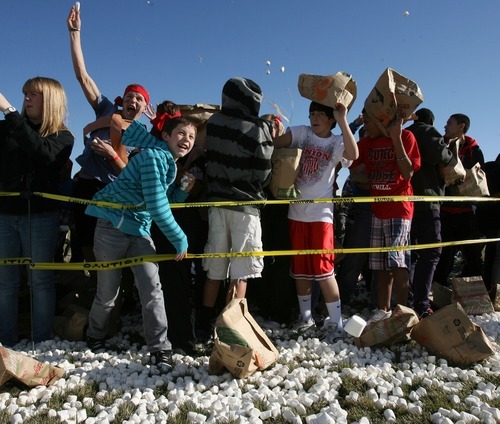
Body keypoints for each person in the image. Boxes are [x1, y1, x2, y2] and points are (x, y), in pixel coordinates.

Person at [84, 116, 196, 370]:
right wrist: (180, 239)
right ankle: (94, 335)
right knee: (109, 293)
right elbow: (157, 206)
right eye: (181, 133)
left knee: (152, 289)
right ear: (165, 136)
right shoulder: (153, 157)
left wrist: (182, 193)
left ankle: (160, 348)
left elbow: (162, 200)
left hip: (140, 229)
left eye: (191, 137)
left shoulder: (166, 162)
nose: (187, 140)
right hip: (111, 225)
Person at [66, 5, 150, 264]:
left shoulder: (142, 136)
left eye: (139, 98)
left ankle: (110, 292)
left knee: (109, 248)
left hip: (114, 192)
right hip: (86, 184)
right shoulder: (105, 109)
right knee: (82, 241)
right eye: (129, 96)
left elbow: (132, 174)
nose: (132, 100)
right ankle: (89, 287)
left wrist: (111, 153)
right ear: (121, 101)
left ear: (144, 108)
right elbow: (83, 77)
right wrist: (75, 32)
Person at [273, 101, 358, 341]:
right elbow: (275, 144)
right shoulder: (302, 133)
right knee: (300, 269)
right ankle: (306, 318)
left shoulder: (337, 141)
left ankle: (336, 323)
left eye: (321, 113)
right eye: (312, 113)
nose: (314, 118)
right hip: (295, 213)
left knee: (324, 269)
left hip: (322, 215)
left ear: (330, 119)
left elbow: (353, 155)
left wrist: (343, 120)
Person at [0, 77, 74, 346]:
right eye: (25, 94)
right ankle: (4, 342)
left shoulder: (63, 137)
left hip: (41, 217)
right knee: (4, 281)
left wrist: (9, 112)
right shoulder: (6, 130)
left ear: (51, 99)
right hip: (4, 215)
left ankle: (42, 342)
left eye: (34, 94)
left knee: (39, 280)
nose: (26, 98)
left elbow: (44, 155)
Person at [197, 77, 273, 338]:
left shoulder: (214, 123)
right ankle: (233, 328)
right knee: (241, 273)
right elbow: (263, 172)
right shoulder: (257, 128)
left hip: (216, 205)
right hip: (246, 208)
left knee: (214, 271)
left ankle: (204, 327)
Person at [352, 111, 421, 324]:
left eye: (368, 119)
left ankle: (404, 312)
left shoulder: (406, 137)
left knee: (397, 261)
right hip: (377, 208)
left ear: (380, 120)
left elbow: (408, 171)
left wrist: (396, 137)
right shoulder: (367, 142)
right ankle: (383, 310)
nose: (366, 124)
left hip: (399, 207)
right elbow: (352, 163)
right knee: (380, 264)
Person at [405, 108, 454, 318]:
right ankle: (421, 304)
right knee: (432, 251)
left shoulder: (404, 133)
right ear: (431, 121)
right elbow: (442, 156)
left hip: (405, 200)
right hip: (426, 199)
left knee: (412, 254)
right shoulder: (427, 132)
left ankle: (407, 298)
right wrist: (449, 149)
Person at [434, 114, 485, 286]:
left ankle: (473, 295)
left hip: (467, 211)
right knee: (442, 255)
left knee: (472, 255)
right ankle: (437, 293)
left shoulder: (474, 150)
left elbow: (480, 175)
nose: (445, 126)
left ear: (461, 127)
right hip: (444, 210)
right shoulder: (440, 146)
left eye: (449, 123)